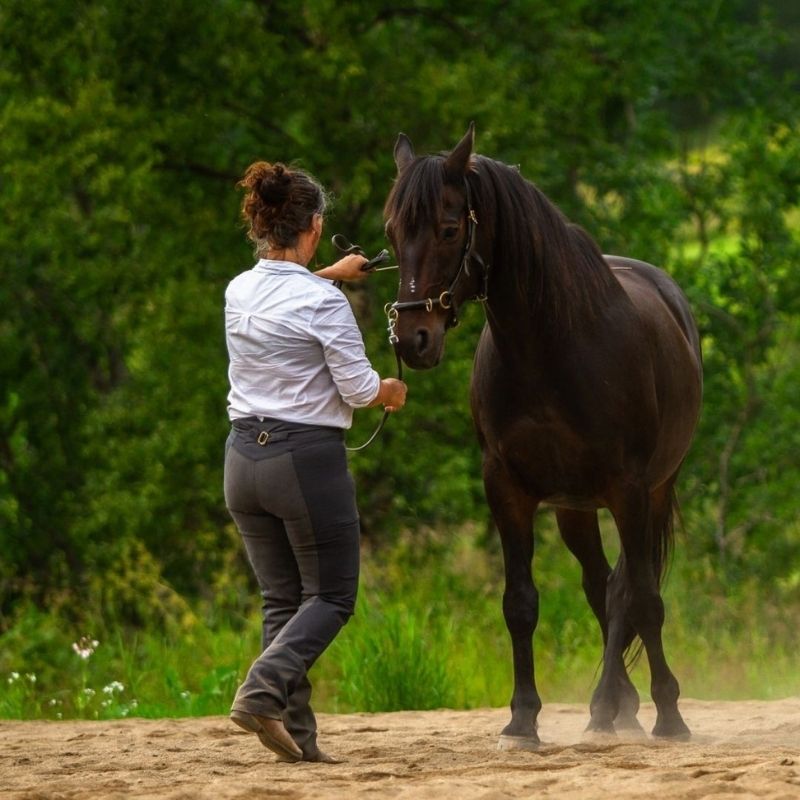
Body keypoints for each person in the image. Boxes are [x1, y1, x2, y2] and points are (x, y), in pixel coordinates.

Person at [223, 160, 407, 764]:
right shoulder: (324, 304)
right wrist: (389, 390)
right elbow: (357, 391)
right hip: (303, 462)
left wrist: (329, 274)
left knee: (283, 601)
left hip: (242, 461)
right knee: (331, 597)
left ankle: (297, 739)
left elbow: (286, 294)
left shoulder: (238, 289)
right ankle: (260, 691)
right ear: (315, 225)